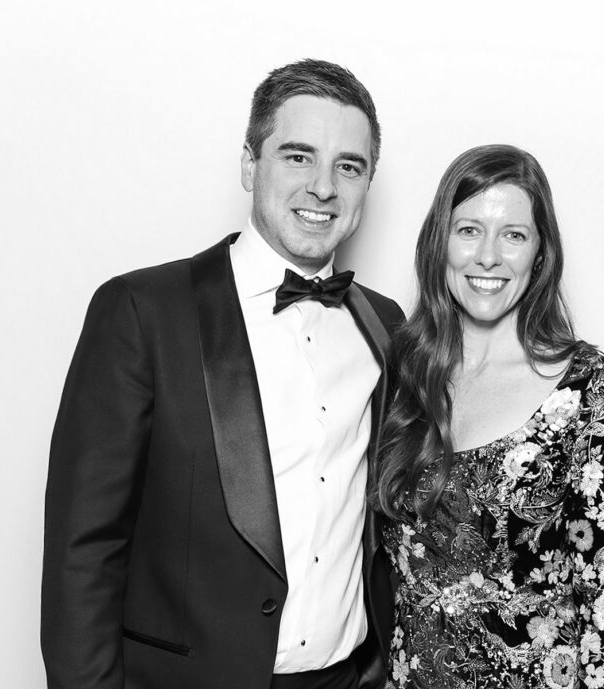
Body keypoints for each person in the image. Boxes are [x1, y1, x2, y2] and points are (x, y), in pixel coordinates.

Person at [41, 59, 404, 689]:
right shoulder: (141, 312)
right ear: (248, 164)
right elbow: (83, 553)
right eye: (297, 156)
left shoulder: (385, 324)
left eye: (349, 166)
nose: (324, 188)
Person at [374, 144, 604, 688]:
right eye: (469, 229)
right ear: (439, 242)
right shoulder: (402, 372)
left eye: (513, 235)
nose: (488, 256)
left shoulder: (586, 386)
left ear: (540, 254)